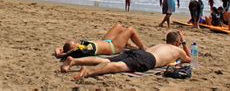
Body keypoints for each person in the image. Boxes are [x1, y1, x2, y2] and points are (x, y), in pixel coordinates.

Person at [64, 31, 192, 79]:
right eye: (180, 43)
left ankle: (74, 61)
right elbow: (189, 59)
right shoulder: (177, 50)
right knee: (118, 66)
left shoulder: (160, 45)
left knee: (107, 60)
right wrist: (185, 42)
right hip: (148, 59)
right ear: (177, 42)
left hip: (141, 52)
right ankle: (87, 72)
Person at [54, 23, 146, 60]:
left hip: (106, 41)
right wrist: (64, 53)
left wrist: (61, 49)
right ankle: (143, 48)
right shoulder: (79, 50)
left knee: (119, 26)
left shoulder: (80, 47)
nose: (77, 43)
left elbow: (58, 50)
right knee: (131, 30)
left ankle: (127, 44)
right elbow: (60, 54)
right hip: (113, 46)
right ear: (73, 48)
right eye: (74, 43)